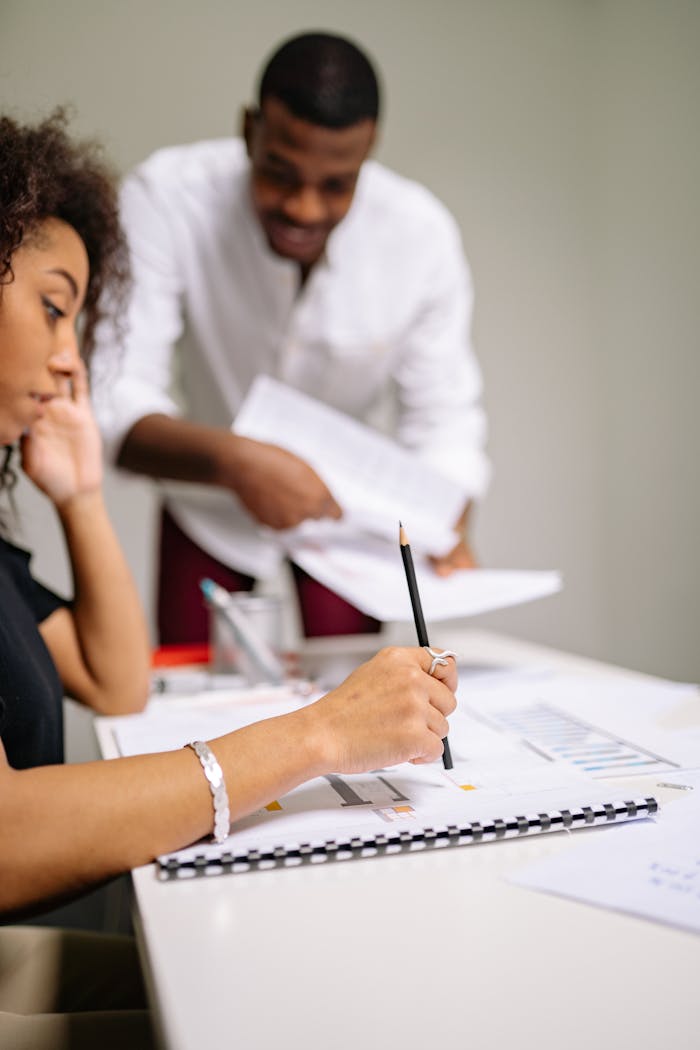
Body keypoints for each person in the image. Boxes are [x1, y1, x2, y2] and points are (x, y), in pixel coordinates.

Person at [0, 110, 458, 1050]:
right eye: (54, 308)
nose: (69, 361)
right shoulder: (181, 193)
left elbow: (114, 678)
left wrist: (80, 493)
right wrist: (322, 732)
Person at [91, 30, 490, 646]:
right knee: (195, 706)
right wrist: (237, 461)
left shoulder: (421, 236)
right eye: (280, 172)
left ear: (369, 153)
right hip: (206, 505)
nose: (304, 208)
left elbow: (445, 422)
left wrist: (448, 512)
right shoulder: (166, 198)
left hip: (353, 528)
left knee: (361, 705)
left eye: (336, 184)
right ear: (250, 129)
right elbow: (116, 398)